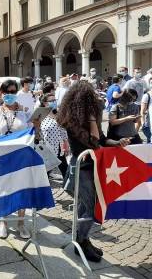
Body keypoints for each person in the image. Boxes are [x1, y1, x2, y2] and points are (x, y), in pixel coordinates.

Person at [57, 81, 131, 262]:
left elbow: (103, 139)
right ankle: (81, 243)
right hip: (81, 166)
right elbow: (93, 140)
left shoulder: (90, 117)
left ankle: (83, 239)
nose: (93, 102)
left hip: (94, 166)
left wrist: (117, 143)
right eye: (89, 99)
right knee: (88, 207)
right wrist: (91, 119)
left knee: (88, 205)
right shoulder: (71, 120)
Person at [0, 79, 31, 239]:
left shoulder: (25, 111)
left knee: (21, 188)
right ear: (1, 94)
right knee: (3, 188)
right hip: (1, 156)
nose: (10, 95)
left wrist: (36, 125)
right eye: (6, 92)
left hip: (21, 156)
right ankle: (3, 221)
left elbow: (32, 134)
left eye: (13, 91)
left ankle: (21, 223)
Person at [39, 93, 69, 178]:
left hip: (58, 145)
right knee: (45, 169)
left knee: (64, 167)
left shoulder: (58, 113)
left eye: (54, 100)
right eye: (51, 101)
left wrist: (66, 143)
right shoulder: (40, 114)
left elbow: (63, 130)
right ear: (45, 103)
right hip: (45, 147)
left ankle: (69, 186)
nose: (53, 102)